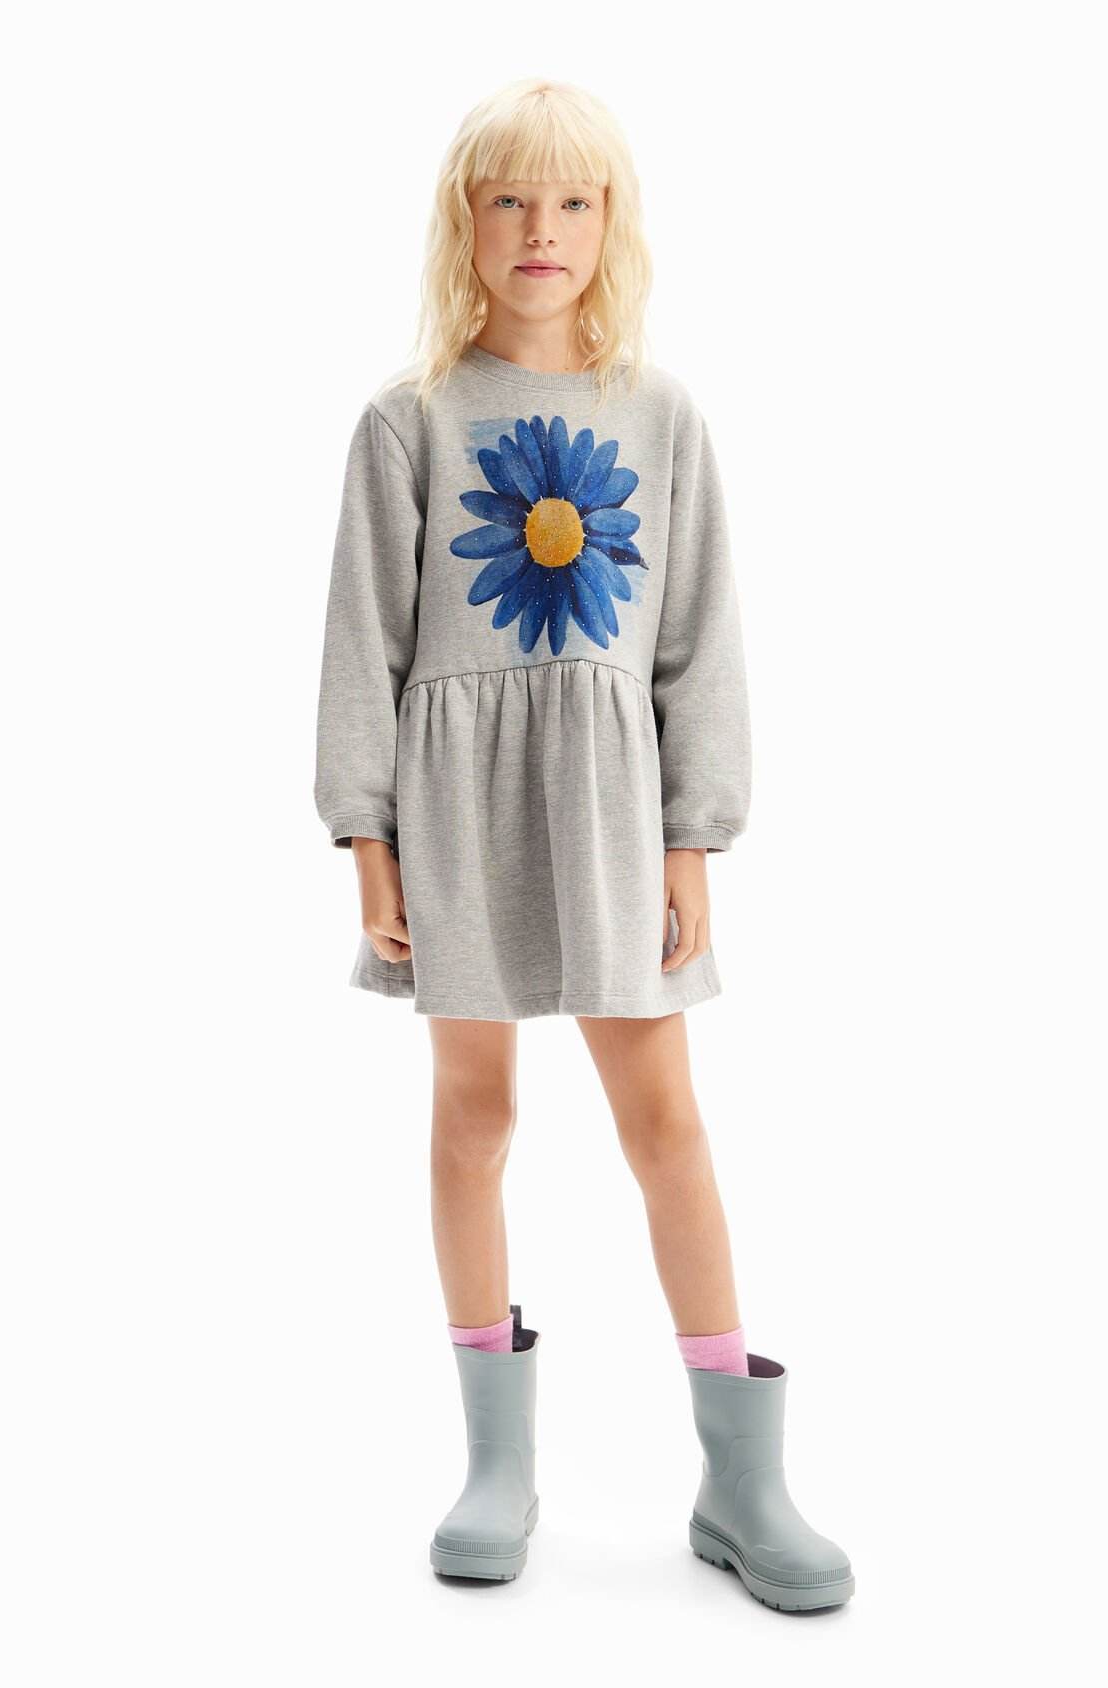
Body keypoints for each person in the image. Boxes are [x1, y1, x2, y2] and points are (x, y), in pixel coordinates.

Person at [314, 77, 854, 1611]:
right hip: (457, 806)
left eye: (569, 202)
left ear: (610, 224)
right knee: (473, 1112)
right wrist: (365, 833)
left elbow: (696, 638)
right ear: (464, 223)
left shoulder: (658, 415)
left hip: (614, 806)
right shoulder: (408, 418)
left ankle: (740, 1476)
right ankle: (497, 1461)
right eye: (508, 201)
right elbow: (363, 636)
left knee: (663, 1117)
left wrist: (694, 839)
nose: (538, 230)